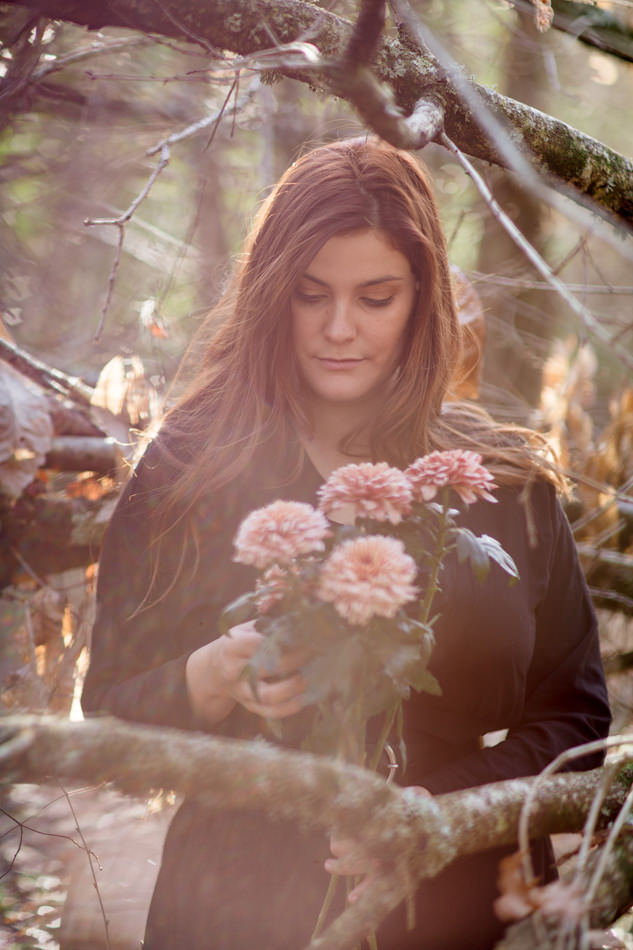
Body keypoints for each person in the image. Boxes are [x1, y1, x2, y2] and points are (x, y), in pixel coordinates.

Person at [82, 137, 611, 950]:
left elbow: (574, 724)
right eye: (309, 293)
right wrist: (209, 676)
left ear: (422, 298)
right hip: (234, 904)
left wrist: (431, 814)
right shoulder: (193, 463)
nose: (338, 329)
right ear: (271, 295)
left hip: (459, 904)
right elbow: (111, 707)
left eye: (375, 297)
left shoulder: (497, 479)